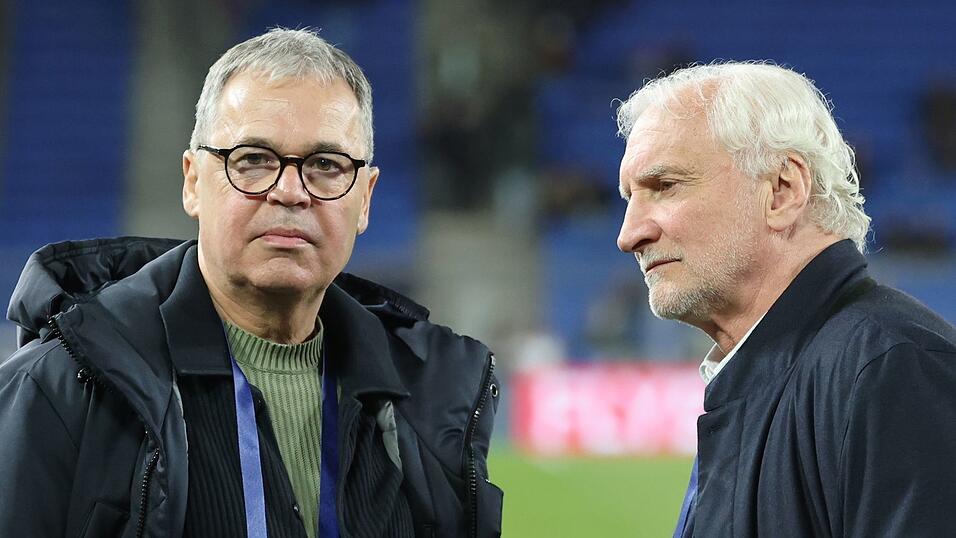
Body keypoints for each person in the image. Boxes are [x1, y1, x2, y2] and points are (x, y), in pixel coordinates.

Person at [0, 28, 502, 538]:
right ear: (193, 181)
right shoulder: (58, 387)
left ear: (365, 198)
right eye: (254, 160)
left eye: (325, 165)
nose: (289, 192)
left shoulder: (431, 401)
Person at [614, 62, 956, 537]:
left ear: (781, 191)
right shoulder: (764, 376)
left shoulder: (890, 369)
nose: (629, 235)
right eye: (629, 198)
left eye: (664, 186)